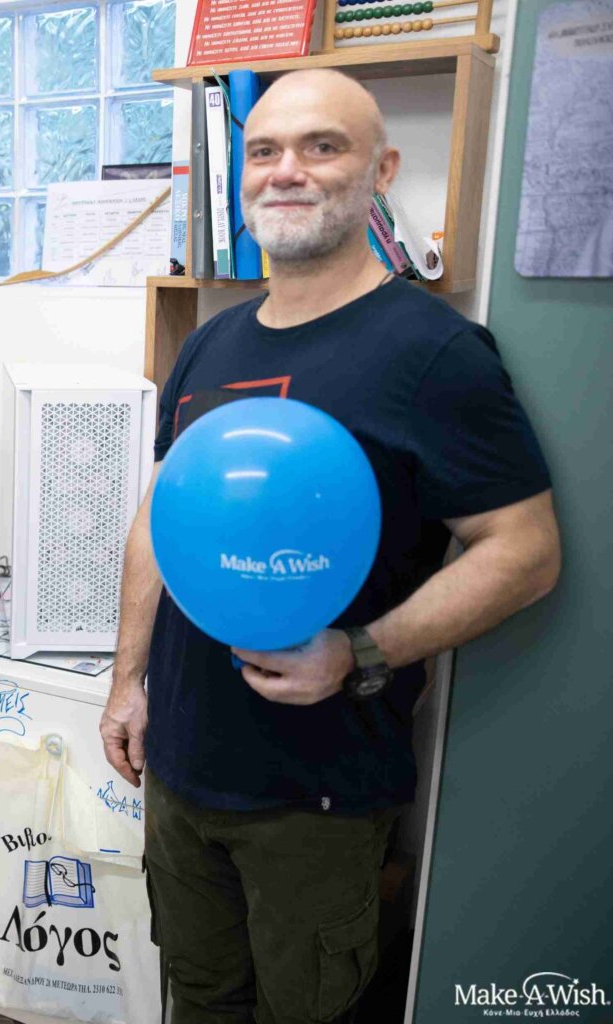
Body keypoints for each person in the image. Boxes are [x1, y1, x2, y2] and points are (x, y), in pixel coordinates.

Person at [98, 69, 561, 1024]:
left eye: (323, 147)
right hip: (181, 769)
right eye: (264, 151)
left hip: (316, 797)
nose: (286, 171)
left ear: (381, 170)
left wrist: (361, 651)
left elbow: (524, 549)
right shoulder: (212, 343)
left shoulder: (435, 353)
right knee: (199, 1002)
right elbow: (160, 514)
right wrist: (127, 680)